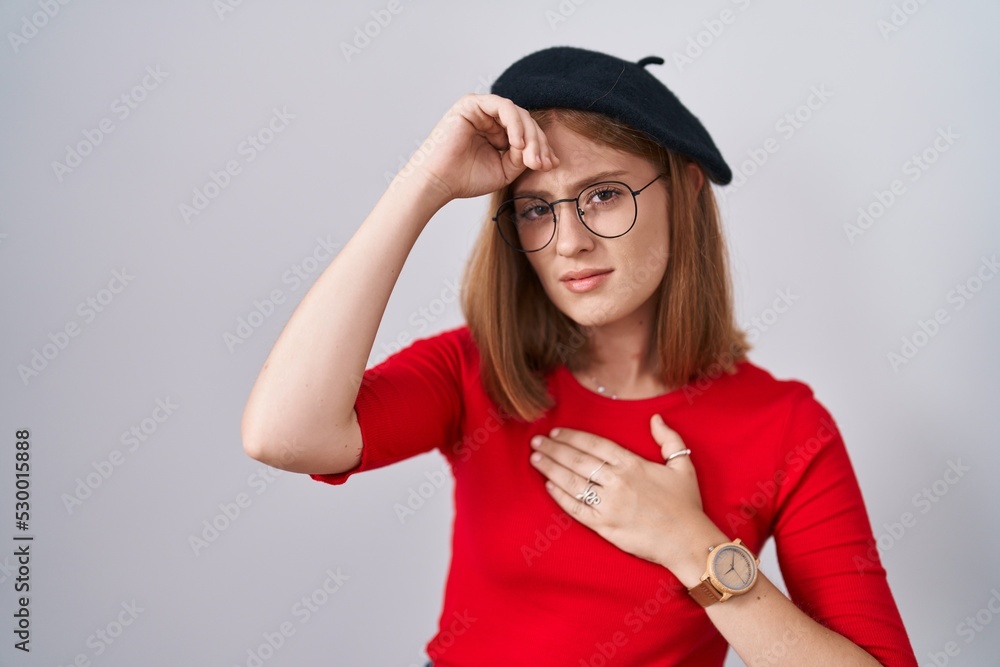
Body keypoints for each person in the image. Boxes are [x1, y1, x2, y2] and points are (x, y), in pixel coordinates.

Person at [241, 46, 918, 666]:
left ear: (684, 189)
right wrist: (425, 182)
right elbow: (282, 434)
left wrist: (693, 547)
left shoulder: (787, 425)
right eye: (536, 209)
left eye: (602, 195)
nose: (568, 242)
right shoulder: (476, 371)